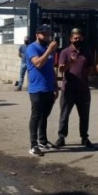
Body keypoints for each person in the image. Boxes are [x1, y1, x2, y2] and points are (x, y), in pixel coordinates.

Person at [25, 24, 60, 157]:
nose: (46, 36)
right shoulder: (32, 48)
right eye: (44, 34)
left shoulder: (47, 48)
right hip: (36, 88)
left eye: (48, 34)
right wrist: (49, 50)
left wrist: (55, 86)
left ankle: (43, 141)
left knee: (44, 116)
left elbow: (51, 69)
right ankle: (33, 145)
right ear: (37, 34)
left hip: (48, 88)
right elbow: (38, 63)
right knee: (36, 116)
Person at [56, 28, 94, 148]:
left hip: (83, 90)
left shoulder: (86, 52)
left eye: (79, 38)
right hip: (68, 90)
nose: (77, 40)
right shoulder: (65, 52)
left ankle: (84, 137)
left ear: (82, 38)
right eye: (75, 38)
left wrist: (86, 74)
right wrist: (69, 63)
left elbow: (90, 68)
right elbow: (61, 70)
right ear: (71, 39)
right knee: (64, 115)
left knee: (84, 116)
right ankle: (61, 137)